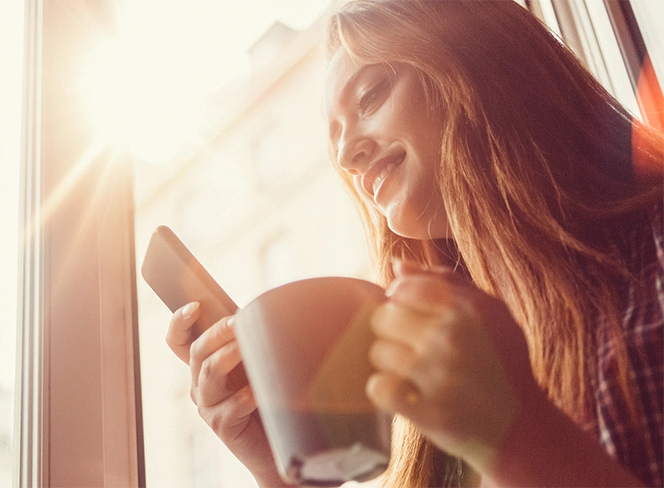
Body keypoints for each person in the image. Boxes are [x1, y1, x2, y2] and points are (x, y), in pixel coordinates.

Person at [165, 0, 664, 486]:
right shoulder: (440, 369)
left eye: (370, 96)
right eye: (333, 136)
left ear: (481, 61)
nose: (345, 154)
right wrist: (279, 476)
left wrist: (514, 437)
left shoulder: (653, 255)